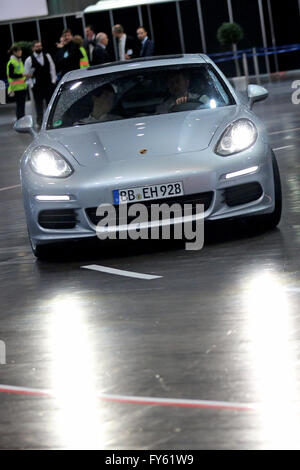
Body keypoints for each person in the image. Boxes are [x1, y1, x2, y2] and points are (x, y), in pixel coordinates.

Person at [24, 40, 57, 127]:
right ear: (33, 48)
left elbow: (52, 68)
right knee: (38, 105)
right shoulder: (29, 60)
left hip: (48, 84)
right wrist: (31, 85)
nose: (39, 48)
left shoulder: (47, 56)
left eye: (40, 46)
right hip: (37, 86)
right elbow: (27, 74)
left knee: (50, 104)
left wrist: (53, 80)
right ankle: (40, 122)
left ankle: (50, 121)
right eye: (37, 46)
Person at [6, 45, 30, 120]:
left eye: (21, 51)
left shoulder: (19, 61)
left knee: (22, 105)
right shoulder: (12, 62)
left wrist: (26, 76)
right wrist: (22, 75)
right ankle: (20, 121)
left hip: (22, 86)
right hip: (16, 88)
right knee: (20, 106)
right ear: (14, 52)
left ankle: (21, 120)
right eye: (19, 51)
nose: (21, 52)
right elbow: (11, 75)